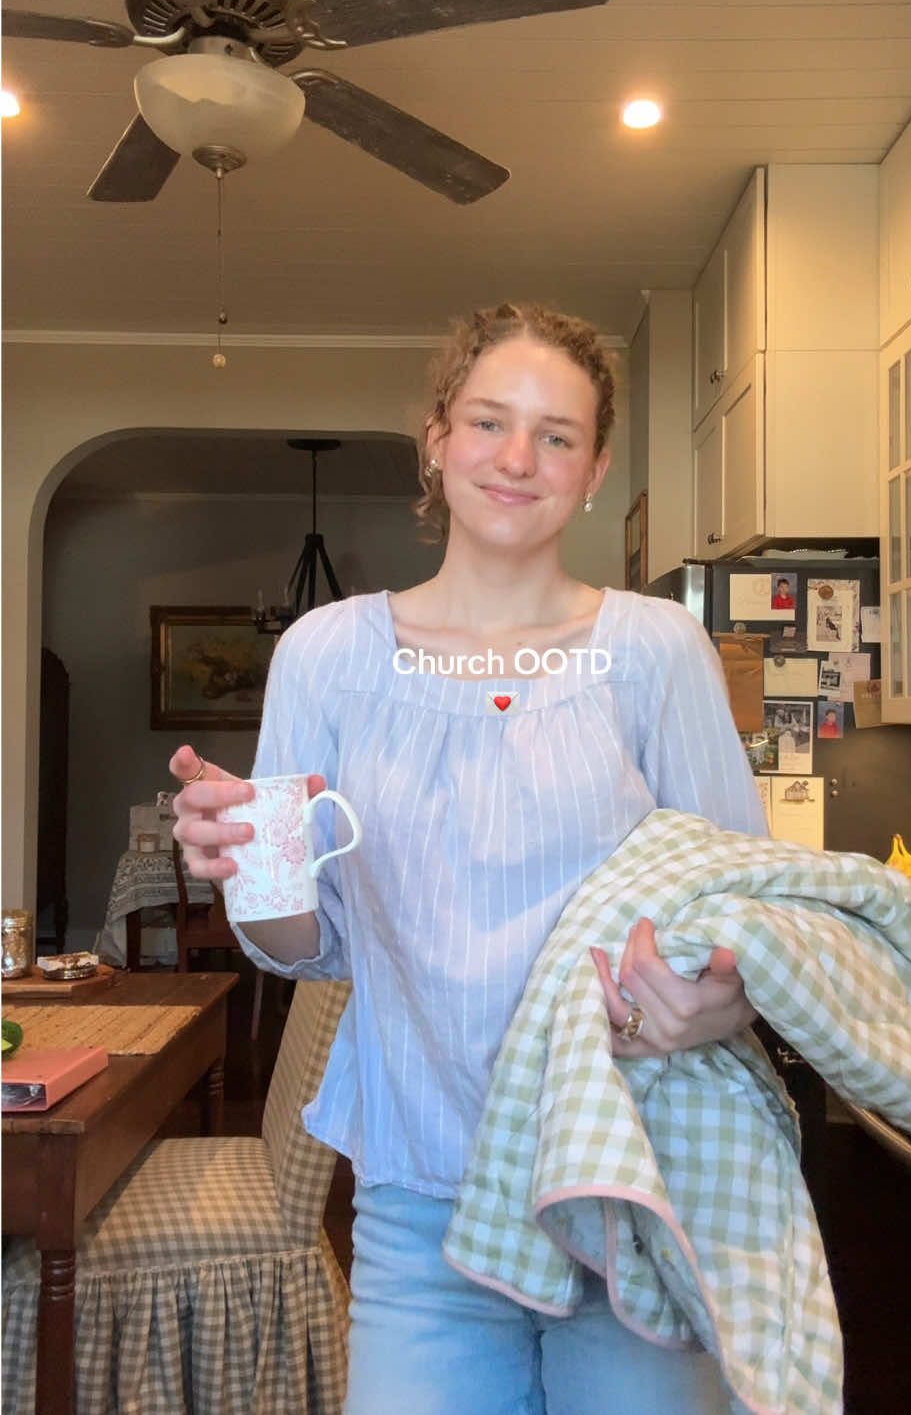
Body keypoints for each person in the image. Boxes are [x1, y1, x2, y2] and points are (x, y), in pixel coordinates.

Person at [170, 301, 768, 1415]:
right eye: (490, 422)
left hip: (630, 1189)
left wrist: (714, 1006)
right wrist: (248, 859)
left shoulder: (656, 651)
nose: (517, 458)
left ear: (592, 472)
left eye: (557, 435)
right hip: (420, 1207)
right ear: (436, 439)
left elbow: (746, 919)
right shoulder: (329, 654)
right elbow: (304, 949)